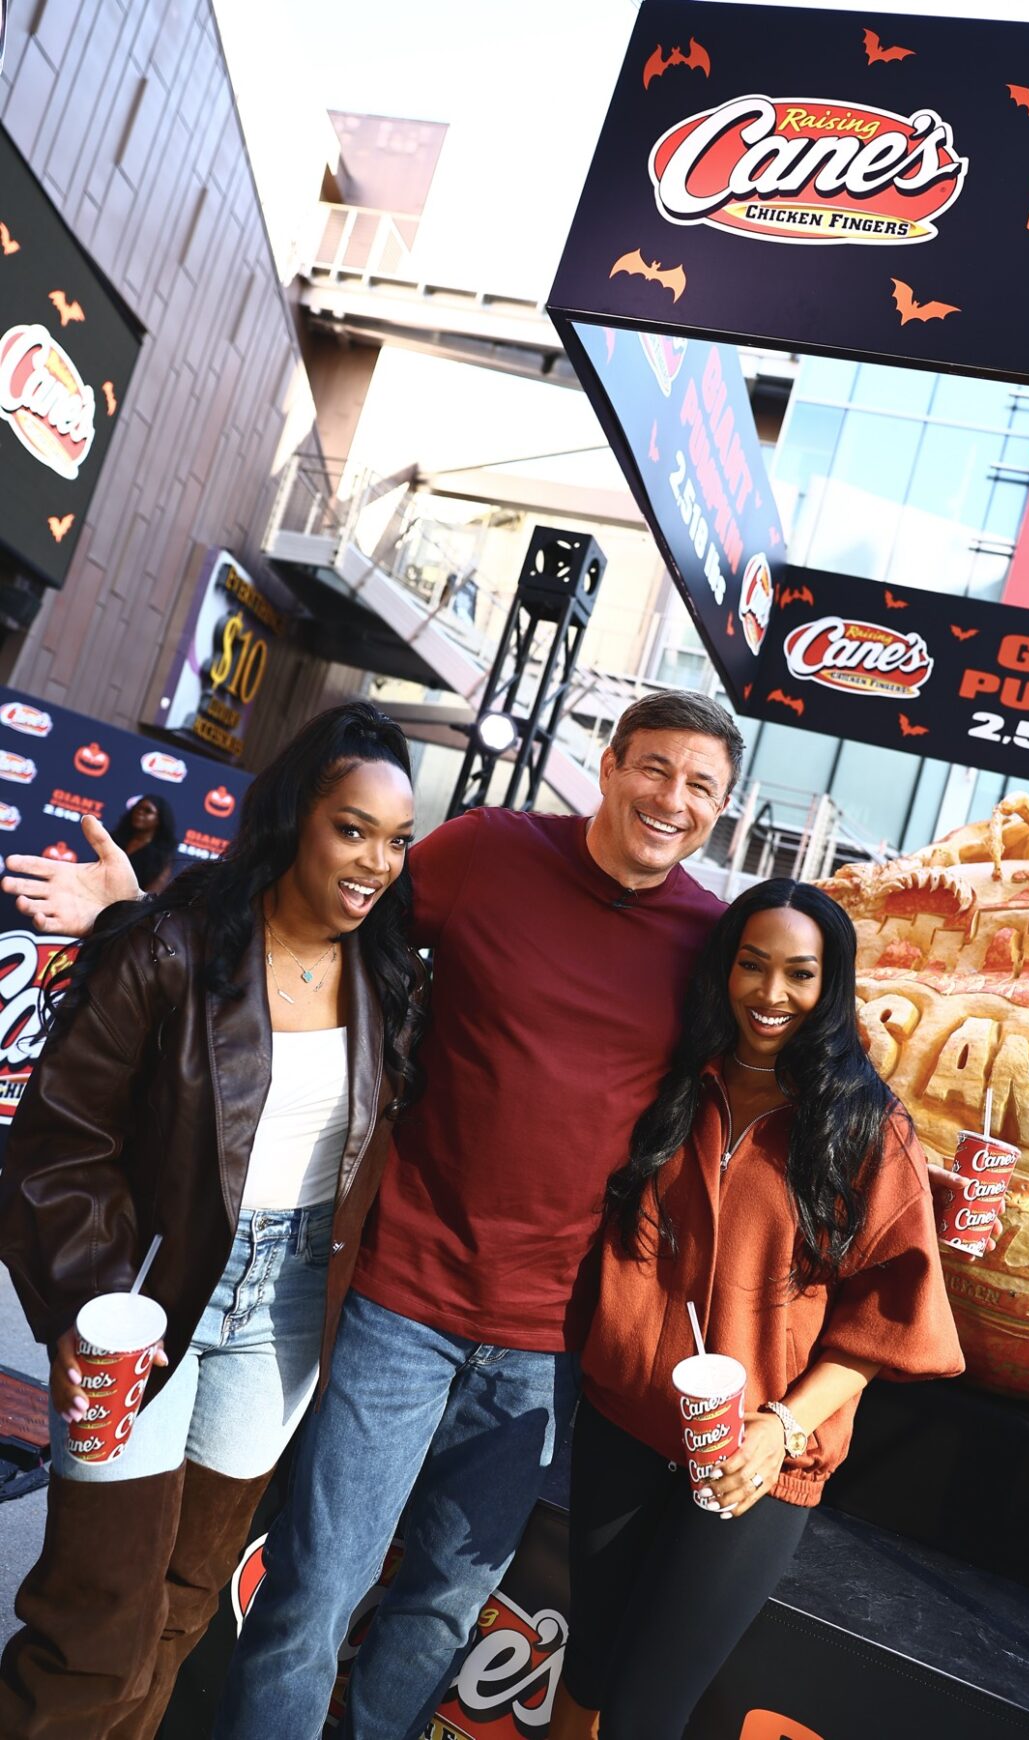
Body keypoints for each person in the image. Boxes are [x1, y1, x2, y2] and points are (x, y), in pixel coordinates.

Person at [4, 689, 741, 1740]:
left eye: (702, 785)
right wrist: (140, 915)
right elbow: (296, 909)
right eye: (655, 767)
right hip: (357, 1299)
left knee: (321, 1604)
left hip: (502, 1334)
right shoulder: (484, 852)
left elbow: (771, 1070)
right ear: (611, 763)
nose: (672, 798)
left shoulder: (704, 942)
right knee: (230, 1596)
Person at [0, 702, 424, 1740]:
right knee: (97, 1617)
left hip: (286, 1313)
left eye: (397, 840)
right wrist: (90, 1305)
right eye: (353, 828)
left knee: (183, 1607)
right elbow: (60, 1139)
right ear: (293, 820)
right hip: (147, 1291)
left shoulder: (389, 978)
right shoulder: (171, 948)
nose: (376, 862)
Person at [548, 879, 965, 1740]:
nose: (772, 993)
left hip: (759, 1459)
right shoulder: (667, 1078)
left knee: (646, 1714)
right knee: (585, 1670)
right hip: (623, 1425)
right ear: (724, 968)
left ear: (830, 984)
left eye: (800, 974)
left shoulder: (865, 1125)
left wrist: (781, 1427)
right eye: (752, 965)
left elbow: (886, 1318)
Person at [109, 794, 178, 894]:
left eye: (148, 811)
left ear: (159, 820)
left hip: (127, 901)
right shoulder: (116, 839)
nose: (140, 812)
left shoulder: (161, 857)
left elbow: (152, 892)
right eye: (138, 808)